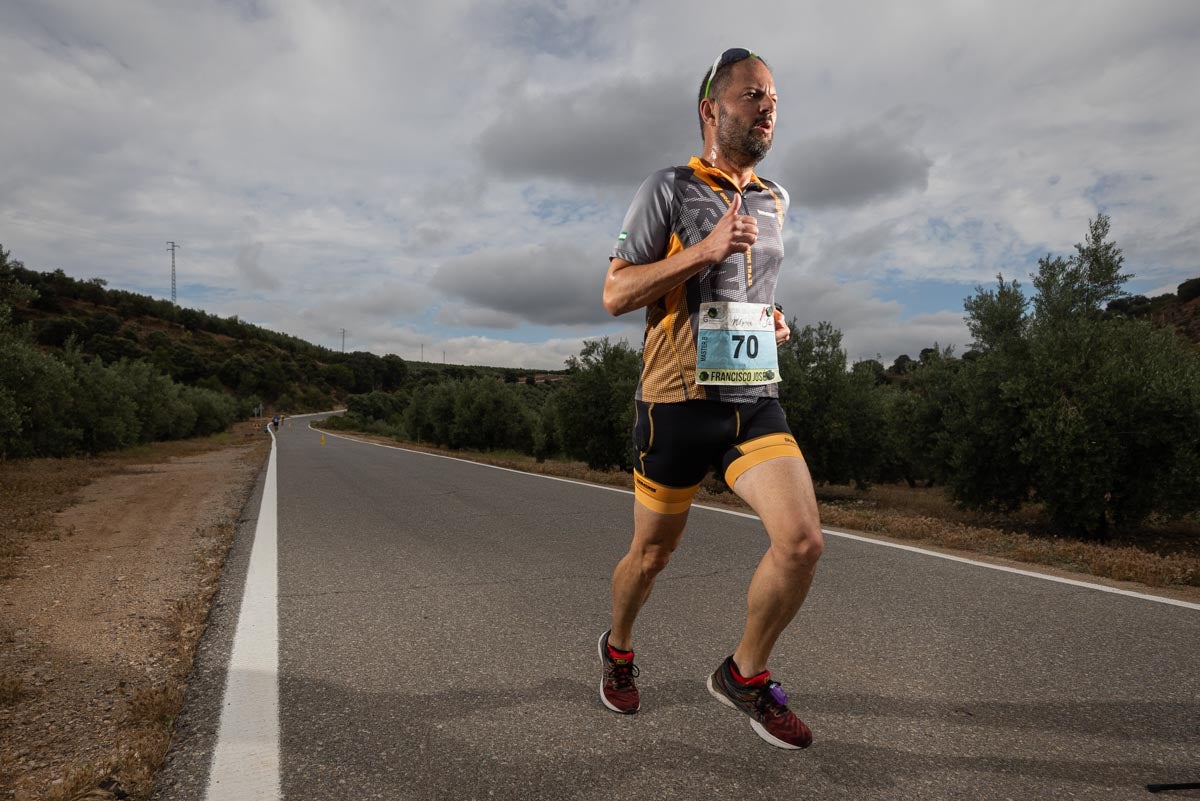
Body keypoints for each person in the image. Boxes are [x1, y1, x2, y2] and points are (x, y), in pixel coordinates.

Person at [598, 48, 823, 750]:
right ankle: (619, 644)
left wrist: (773, 316)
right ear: (711, 109)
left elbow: (752, 286)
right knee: (651, 557)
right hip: (676, 402)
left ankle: (744, 673)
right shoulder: (667, 188)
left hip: (753, 398)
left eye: (775, 98)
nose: (768, 107)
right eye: (753, 94)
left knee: (802, 540)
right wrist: (705, 248)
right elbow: (614, 292)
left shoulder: (776, 198)